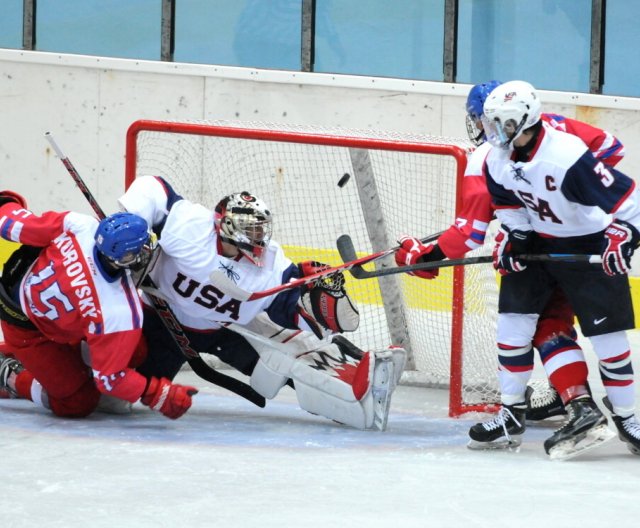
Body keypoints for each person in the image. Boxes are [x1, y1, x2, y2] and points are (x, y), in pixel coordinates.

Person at [395, 80, 626, 426]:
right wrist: (552, 201)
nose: (481, 129)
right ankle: (568, 402)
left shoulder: (491, 156)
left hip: (553, 244)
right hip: (551, 240)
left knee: (552, 328)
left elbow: (469, 232)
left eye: (481, 120)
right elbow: (611, 148)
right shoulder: (551, 125)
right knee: (543, 325)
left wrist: (426, 256)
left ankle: (589, 408)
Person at [118, 176, 405, 431]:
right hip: (161, 324)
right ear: (228, 227)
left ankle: (355, 400)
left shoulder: (271, 266)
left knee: (285, 364)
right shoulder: (189, 227)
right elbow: (153, 186)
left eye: (261, 230)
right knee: (115, 399)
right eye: (252, 230)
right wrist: (134, 227)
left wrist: (322, 297)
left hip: (223, 331)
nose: (260, 238)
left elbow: (294, 309)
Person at [465, 79, 640, 457]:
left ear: (526, 121)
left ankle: (626, 418)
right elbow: (508, 204)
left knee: (609, 343)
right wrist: (516, 239)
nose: (492, 133)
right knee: (513, 327)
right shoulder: (497, 159)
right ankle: (511, 413)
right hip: (539, 246)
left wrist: (624, 234)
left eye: (502, 125)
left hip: (587, 242)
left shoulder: (566, 156)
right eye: (490, 123)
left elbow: (629, 198)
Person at [0, 190, 197, 420]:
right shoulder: (118, 308)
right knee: (78, 402)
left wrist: (6, 203)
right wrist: (158, 394)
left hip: (26, 290)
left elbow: (12, 224)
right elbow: (109, 379)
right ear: (123, 259)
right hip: (28, 330)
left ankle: (22, 355)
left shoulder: (81, 225)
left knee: (136, 350)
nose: (146, 251)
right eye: (141, 248)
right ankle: (10, 376)